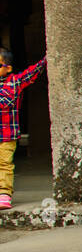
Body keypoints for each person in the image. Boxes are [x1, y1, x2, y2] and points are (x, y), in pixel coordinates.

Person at [0, 51, 46, 210]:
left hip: (6, 135)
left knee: (4, 163)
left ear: (8, 68)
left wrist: (47, 58)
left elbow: (31, 73)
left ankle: (4, 194)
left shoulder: (14, 82)